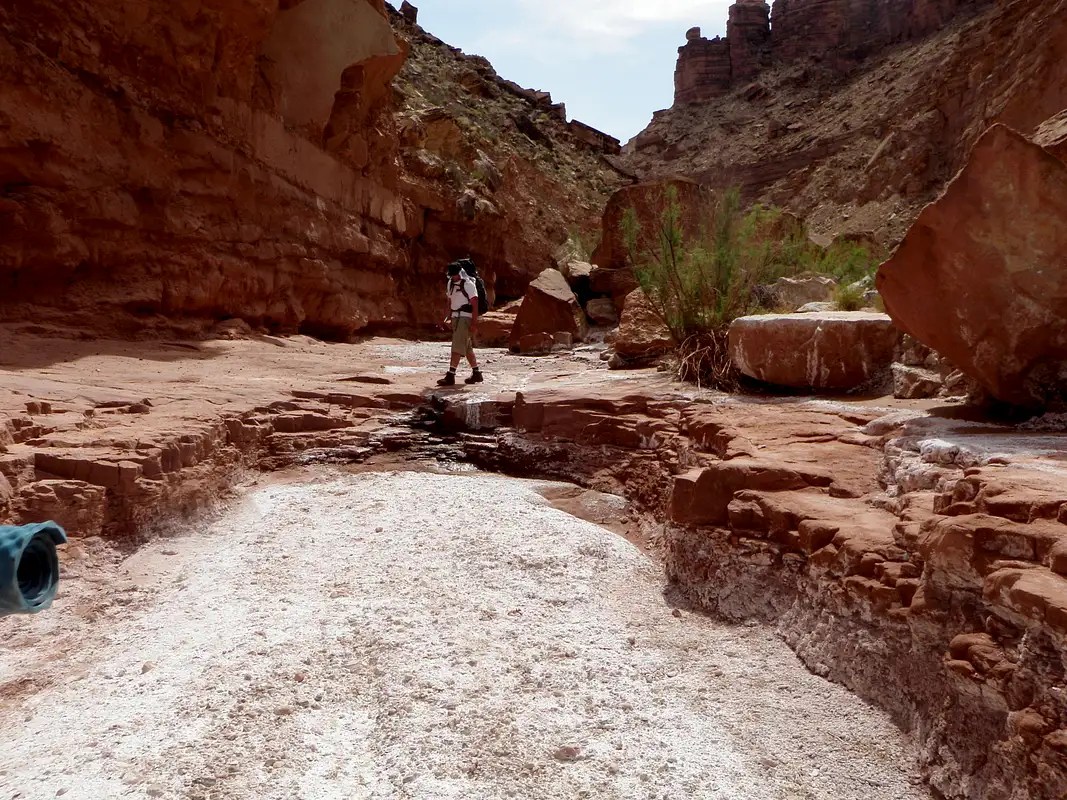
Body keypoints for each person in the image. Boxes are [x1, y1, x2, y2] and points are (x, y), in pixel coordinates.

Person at [438, 261, 484, 386]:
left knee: (457, 346)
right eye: (451, 275)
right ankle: (476, 373)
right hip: (455, 318)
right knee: (467, 347)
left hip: (465, 318)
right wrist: (445, 317)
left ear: (459, 272)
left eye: (454, 275)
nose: (453, 277)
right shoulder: (451, 284)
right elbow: (449, 302)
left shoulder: (468, 284)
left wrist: (474, 323)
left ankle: (451, 375)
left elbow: (475, 304)